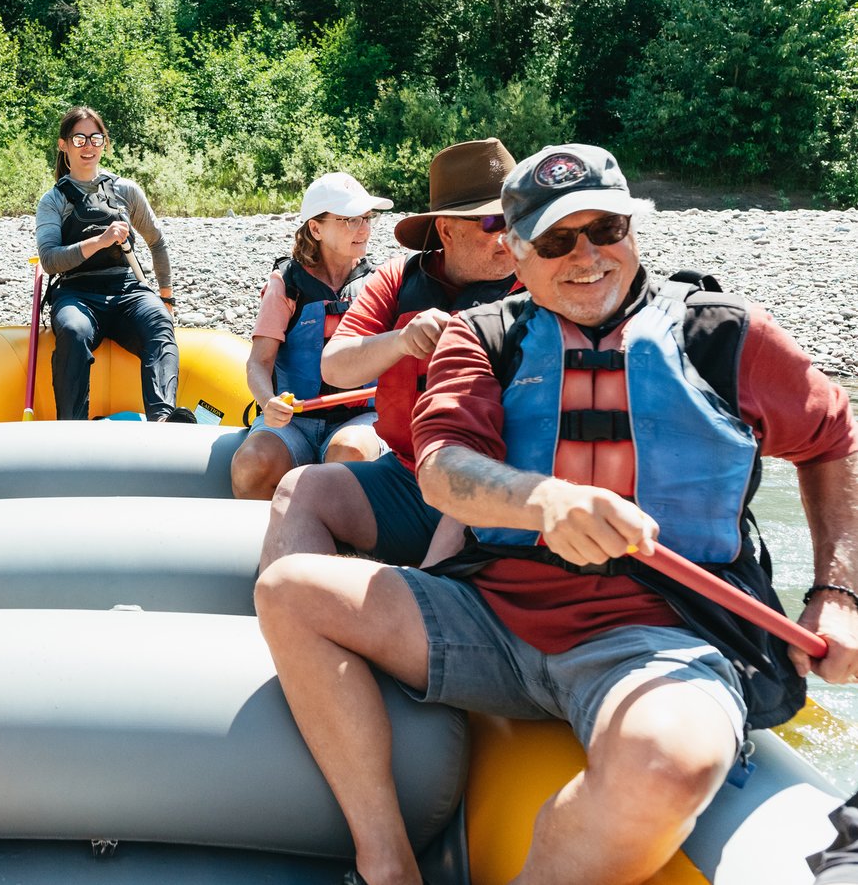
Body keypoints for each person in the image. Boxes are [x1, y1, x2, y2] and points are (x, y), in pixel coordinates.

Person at [256, 143, 858, 885]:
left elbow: (833, 439)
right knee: (289, 592)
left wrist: (837, 593)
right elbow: (442, 467)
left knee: (671, 763)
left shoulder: (725, 336)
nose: (587, 257)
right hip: (495, 618)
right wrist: (540, 499)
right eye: (555, 240)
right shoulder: (483, 337)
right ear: (517, 251)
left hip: (663, 635)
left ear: (633, 229)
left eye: (605, 229)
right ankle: (386, 860)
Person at [259, 138, 519, 569]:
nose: (509, 236)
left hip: (498, 483)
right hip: (407, 476)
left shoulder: (540, 285)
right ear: (447, 229)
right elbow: (335, 365)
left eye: (518, 219)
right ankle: (298, 621)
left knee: (455, 526)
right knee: (297, 488)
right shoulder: (399, 279)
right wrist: (399, 340)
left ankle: (423, 601)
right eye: (493, 221)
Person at [230, 172, 388, 500]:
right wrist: (267, 402)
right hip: (294, 422)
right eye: (349, 220)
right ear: (315, 229)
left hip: (359, 418)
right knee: (251, 465)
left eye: (367, 218)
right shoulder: (286, 284)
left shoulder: (378, 284)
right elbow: (258, 363)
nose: (364, 228)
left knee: (349, 454)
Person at [35, 105, 192, 422]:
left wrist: (166, 296)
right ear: (63, 145)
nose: (88, 146)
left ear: (104, 143)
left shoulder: (126, 190)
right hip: (76, 293)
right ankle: (73, 424)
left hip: (127, 290)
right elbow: (50, 260)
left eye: (95, 138)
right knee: (72, 329)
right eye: (79, 139)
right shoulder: (53, 200)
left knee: (160, 322)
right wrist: (100, 241)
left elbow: (157, 242)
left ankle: (163, 419)